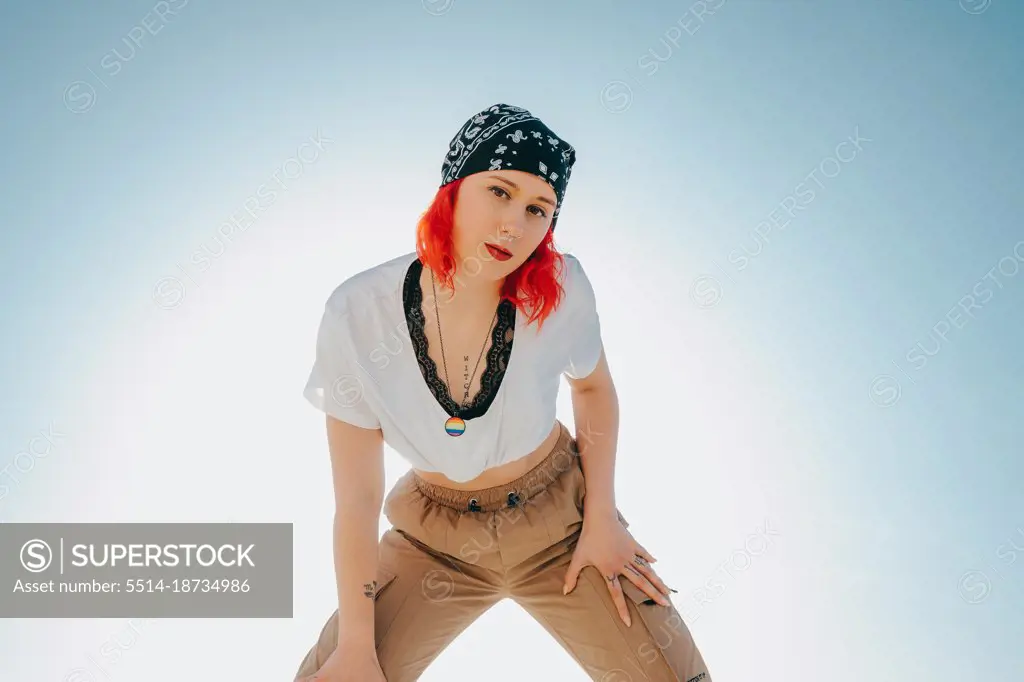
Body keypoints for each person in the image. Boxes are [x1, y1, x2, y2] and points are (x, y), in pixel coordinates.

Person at [293, 103, 713, 682]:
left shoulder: (561, 290)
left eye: (538, 209)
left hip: (563, 525)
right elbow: (357, 503)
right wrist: (358, 647)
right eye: (499, 191)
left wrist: (602, 518)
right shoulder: (357, 315)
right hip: (434, 544)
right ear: (454, 188)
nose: (515, 223)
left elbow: (593, 387)